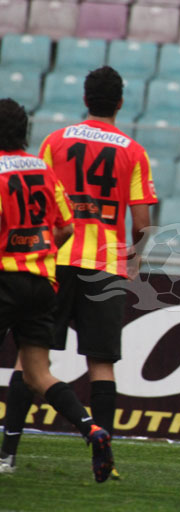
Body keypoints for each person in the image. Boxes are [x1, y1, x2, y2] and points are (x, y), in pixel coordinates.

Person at [0, 66, 158, 479]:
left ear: (85, 100)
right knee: (101, 363)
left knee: (29, 362)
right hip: (104, 263)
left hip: (53, 260)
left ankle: (8, 454)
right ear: (120, 103)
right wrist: (135, 259)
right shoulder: (134, 151)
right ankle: (102, 459)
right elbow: (141, 222)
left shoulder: (55, 141)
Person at [0, 98, 114, 482]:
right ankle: (93, 430)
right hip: (42, 282)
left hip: (5, 278)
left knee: (31, 374)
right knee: (38, 374)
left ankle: (8, 454)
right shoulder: (42, 170)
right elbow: (66, 226)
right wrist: (38, 248)